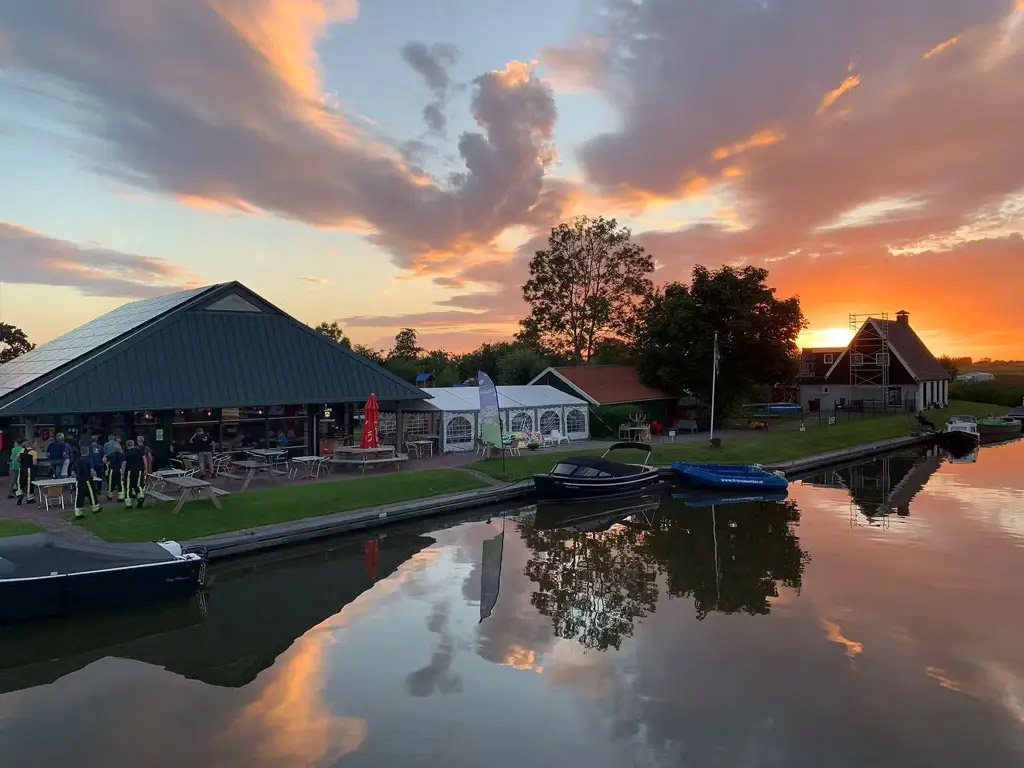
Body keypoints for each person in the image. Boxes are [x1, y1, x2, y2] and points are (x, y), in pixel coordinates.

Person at [73, 449, 101, 518]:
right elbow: (91, 471)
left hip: (79, 481)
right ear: (88, 452)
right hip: (88, 480)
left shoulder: (77, 460)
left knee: (79, 496)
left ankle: (78, 513)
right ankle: (95, 508)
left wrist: (77, 477)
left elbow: (73, 472)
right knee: (91, 494)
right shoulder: (89, 460)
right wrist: (94, 475)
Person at [123, 440, 146, 508]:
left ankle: (128, 504)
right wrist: (145, 468)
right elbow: (144, 459)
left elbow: (124, 463)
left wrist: (122, 473)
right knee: (138, 485)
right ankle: (140, 496)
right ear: (133, 444)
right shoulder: (139, 451)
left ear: (127, 445)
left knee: (128, 486)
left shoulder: (127, 453)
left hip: (129, 470)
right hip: (139, 470)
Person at [15, 440, 38, 505]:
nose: (36, 446)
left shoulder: (22, 450)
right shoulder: (33, 452)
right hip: (29, 470)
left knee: (20, 482)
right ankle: (29, 498)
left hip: (21, 469)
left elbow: (17, 459)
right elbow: (34, 463)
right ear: (32, 445)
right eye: (35, 444)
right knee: (29, 484)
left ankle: (20, 494)